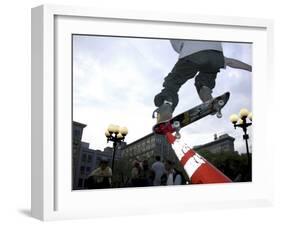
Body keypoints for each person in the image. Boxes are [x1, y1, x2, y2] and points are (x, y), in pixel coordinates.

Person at [153, 40, 252, 123]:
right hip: (215, 54)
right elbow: (231, 62)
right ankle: (209, 99)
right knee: (204, 82)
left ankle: (167, 105)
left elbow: (177, 46)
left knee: (173, 83)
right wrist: (251, 68)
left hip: (191, 54)